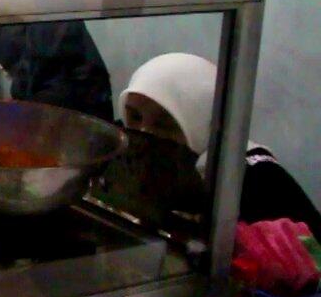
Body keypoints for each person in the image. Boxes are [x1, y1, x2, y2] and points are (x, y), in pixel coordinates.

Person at [120, 53, 321, 234]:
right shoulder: (162, 162)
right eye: (135, 117)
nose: (143, 132)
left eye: (165, 124)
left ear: (203, 122)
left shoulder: (253, 180)